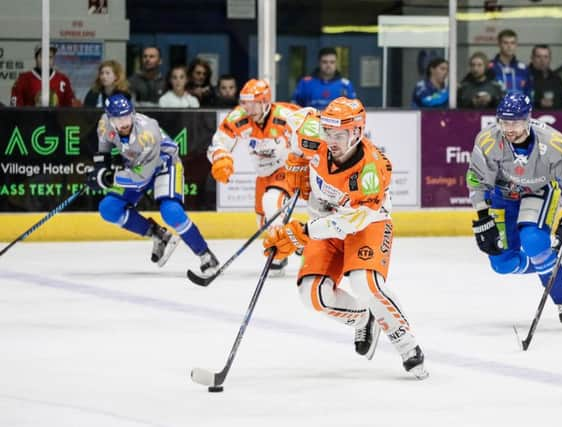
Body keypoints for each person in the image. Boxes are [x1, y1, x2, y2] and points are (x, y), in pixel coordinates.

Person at [263, 97, 428, 379]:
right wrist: (295, 159)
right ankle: (363, 318)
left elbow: (356, 219)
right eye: (328, 132)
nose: (332, 140)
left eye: (339, 135)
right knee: (312, 295)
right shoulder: (315, 131)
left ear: (356, 132)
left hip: (367, 224)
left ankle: (407, 345)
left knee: (364, 282)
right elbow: (292, 116)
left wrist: (304, 232)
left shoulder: (371, 170)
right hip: (324, 221)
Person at [467, 92, 562, 330]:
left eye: (516, 122)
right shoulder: (488, 141)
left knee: (533, 240)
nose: (509, 128)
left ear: (528, 120)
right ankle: (547, 261)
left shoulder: (553, 143)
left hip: (539, 191)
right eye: (504, 122)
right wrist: (483, 217)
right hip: (503, 195)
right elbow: (477, 181)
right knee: (502, 263)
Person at [87, 93, 219, 274]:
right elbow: (104, 152)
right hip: (136, 167)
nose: (124, 123)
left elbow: (142, 177)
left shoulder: (148, 132)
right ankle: (158, 235)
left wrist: (109, 179)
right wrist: (100, 170)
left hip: (165, 165)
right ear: (110, 119)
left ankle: (206, 255)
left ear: (132, 113)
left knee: (171, 211)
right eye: (118, 119)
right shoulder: (104, 124)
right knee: (109, 208)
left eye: (127, 116)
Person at [206, 79, 298, 275]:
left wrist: (309, 162)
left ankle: (281, 251)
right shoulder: (239, 117)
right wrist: (221, 158)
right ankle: (292, 241)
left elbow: (312, 131)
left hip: (286, 169)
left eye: (254, 102)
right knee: (263, 220)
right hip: (263, 174)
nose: (248, 107)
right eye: (245, 102)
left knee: (272, 202)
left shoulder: (286, 115)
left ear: (265, 101)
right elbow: (219, 142)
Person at [10, 44, 76, 107]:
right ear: (36, 58)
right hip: (31, 118)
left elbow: (70, 109)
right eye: (43, 57)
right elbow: (16, 109)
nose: (46, 60)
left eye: (50, 57)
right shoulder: (23, 79)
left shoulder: (63, 79)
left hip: (56, 118)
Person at [291, 47, 356, 109]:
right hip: (311, 120)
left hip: (338, 120)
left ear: (336, 63)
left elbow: (353, 110)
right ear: (319, 63)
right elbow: (295, 107)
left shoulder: (345, 84)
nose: (328, 65)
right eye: (325, 62)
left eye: (332, 62)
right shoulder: (305, 83)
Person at [488, 29, 532, 98]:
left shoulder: (524, 69)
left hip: (519, 108)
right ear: (499, 44)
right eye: (505, 43)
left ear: (516, 45)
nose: (509, 46)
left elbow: (528, 93)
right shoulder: (490, 67)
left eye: (512, 43)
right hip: (496, 108)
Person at [529, 45, 562, 109]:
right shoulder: (525, 77)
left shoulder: (557, 79)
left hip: (557, 117)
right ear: (532, 58)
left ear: (550, 59)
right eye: (538, 57)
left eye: (546, 57)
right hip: (531, 117)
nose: (542, 60)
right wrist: (538, 103)